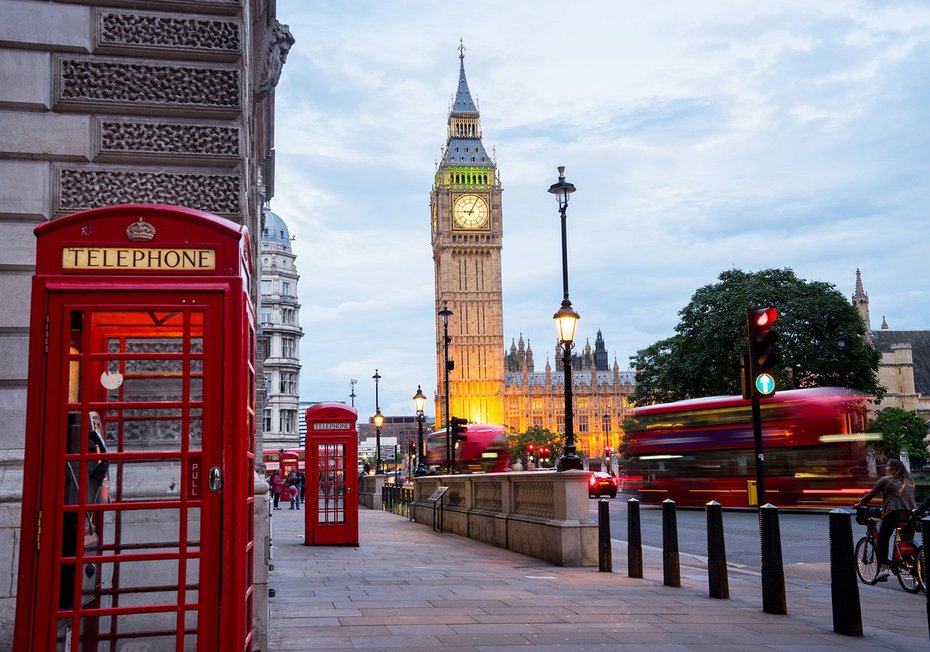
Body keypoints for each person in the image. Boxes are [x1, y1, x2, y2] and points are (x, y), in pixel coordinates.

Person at [856, 458, 917, 580]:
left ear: (893, 469)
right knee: (906, 537)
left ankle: (884, 568)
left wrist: (859, 504)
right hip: (911, 515)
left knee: (883, 538)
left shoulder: (886, 480)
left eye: (888, 466)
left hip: (893, 514)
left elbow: (871, 494)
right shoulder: (910, 480)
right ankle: (910, 560)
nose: (885, 468)